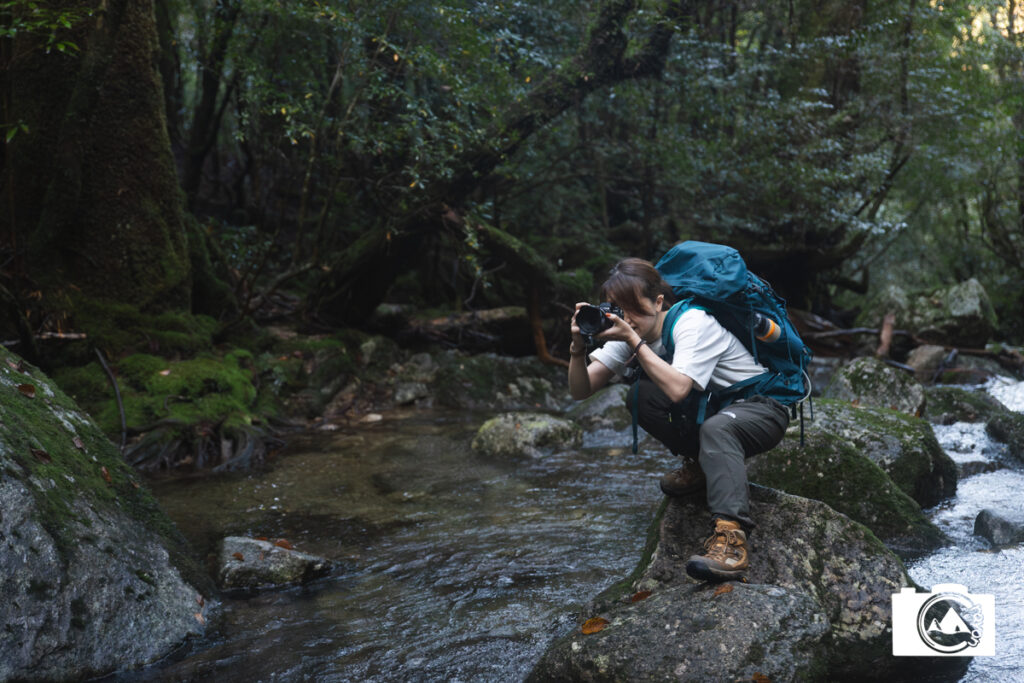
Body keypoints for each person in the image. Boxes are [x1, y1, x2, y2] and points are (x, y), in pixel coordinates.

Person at [567, 257, 790, 582]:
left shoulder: (692, 322)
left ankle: (732, 542)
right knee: (639, 396)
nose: (625, 316)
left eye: (633, 307)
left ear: (659, 302)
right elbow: (580, 390)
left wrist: (633, 340)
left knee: (717, 426)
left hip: (763, 408)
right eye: (616, 308)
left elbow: (677, 388)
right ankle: (702, 466)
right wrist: (576, 348)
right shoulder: (629, 330)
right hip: (719, 410)